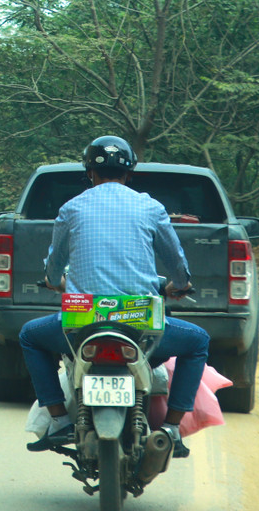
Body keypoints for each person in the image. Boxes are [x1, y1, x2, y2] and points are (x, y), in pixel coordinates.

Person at [20, 135, 209, 458]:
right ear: (130, 173)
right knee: (198, 341)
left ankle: (59, 419)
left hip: (83, 322)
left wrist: (56, 281)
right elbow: (177, 263)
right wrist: (179, 284)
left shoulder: (72, 208)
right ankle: (173, 429)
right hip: (141, 321)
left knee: (29, 336)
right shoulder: (151, 207)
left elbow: (53, 268)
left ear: (89, 173)